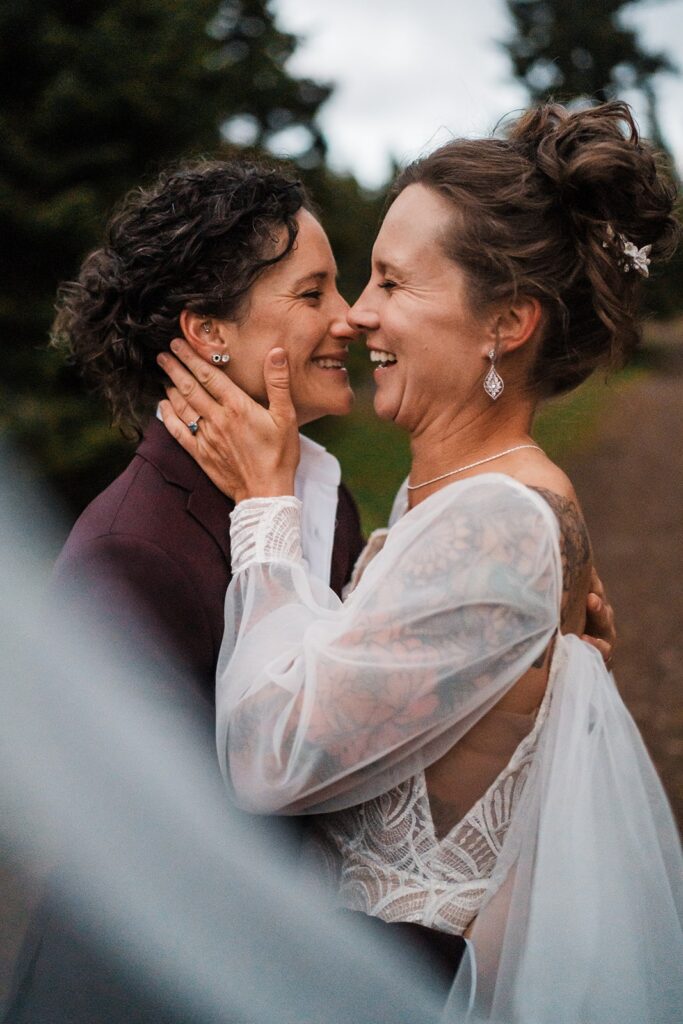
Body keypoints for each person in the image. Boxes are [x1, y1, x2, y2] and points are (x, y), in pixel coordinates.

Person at [158, 102, 682, 1023]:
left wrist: (267, 508)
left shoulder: (498, 524)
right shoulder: (444, 501)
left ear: (506, 322)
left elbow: (270, 759)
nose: (358, 317)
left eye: (393, 283)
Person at [3, 160, 445, 1024]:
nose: (348, 317)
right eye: (311, 293)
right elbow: (157, 863)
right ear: (209, 332)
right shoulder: (132, 549)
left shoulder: (321, 498)